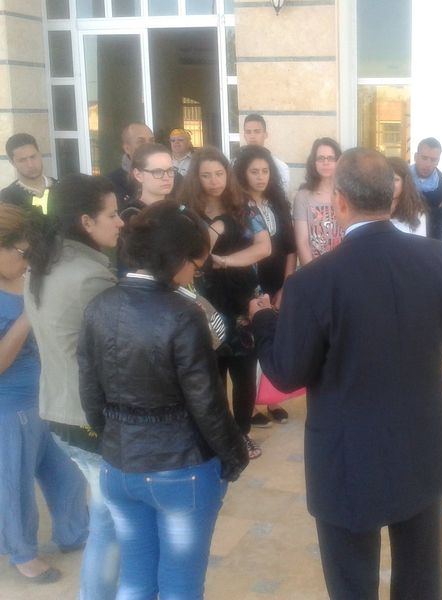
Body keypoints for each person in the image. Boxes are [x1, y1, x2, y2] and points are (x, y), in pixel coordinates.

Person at [251, 147, 442, 600]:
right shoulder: (438, 255)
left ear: (340, 201)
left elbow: (287, 372)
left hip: (348, 458)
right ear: (391, 197)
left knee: (352, 584)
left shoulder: (312, 282)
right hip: (421, 446)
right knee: (420, 580)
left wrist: (263, 321)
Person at [78, 200, 248, 600]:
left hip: (118, 466)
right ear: (176, 258)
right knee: (180, 586)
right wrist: (234, 454)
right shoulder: (183, 313)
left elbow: (90, 392)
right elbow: (206, 401)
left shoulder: (98, 306)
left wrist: (115, 437)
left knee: (135, 580)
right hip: (179, 469)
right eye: (195, 264)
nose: (195, 273)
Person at [25, 174, 124, 600]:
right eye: (112, 214)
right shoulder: (88, 277)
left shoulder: (44, 263)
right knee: (109, 521)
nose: (120, 222)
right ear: (86, 221)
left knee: (105, 513)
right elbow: (120, 351)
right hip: (86, 416)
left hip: (57, 409)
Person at [0, 204, 88, 584]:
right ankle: (22, 553)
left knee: (68, 472)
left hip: (50, 395)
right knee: (14, 484)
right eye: (22, 252)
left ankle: (74, 531)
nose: (27, 260)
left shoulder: (30, 276)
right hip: (10, 405)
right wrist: (27, 317)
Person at [179, 147, 268, 459]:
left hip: (243, 298)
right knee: (212, 373)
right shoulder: (188, 211)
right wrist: (216, 228)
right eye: (206, 175)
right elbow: (193, 255)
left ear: (228, 175)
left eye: (219, 174)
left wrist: (226, 261)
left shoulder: (244, 207)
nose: (214, 181)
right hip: (205, 300)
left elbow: (264, 248)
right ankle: (219, 436)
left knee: (245, 371)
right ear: (196, 178)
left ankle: (242, 433)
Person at [233, 145, 297, 427]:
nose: (260, 177)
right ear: (243, 173)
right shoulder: (236, 207)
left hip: (276, 283)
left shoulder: (278, 204)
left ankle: (272, 400)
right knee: (250, 345)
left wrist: (286, 285)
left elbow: (290, 248)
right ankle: (250, 406)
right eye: (254, 171)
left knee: (274, 339)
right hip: (248, 284)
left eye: (265, 171)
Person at [293, 137, 343, 266]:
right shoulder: (303, 196)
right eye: (320, 158)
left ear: (339, 161)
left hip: (344, 267)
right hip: (315, 268)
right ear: (313, 162)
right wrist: (312, 273)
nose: (325, 162)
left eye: (331, 158)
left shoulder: (347, 194)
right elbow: (302, 242)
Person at [411, 138, 442, 240]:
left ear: (438, 161)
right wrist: (435, 210)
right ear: (416, 157)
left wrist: (413, 209)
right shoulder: (403, 178)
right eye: (424, 158)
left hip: (434, 241)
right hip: (405, 239)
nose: (428, 164)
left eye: (433, 160)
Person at [0, 133, 56, 214]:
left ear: (40, 155)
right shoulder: (8, 197)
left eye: (33, 157)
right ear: (12, 162)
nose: (30, 165)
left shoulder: (60, 186)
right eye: (22, 160)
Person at [105, 122, 156, 204]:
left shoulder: (169, 177)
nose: (148, 146)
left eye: (152, 141)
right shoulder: (111, 183)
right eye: (141, 142)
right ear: (127, 148)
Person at [241, 114, 290, 191]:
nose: (252, 136)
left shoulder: (280, 167)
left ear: (265, 135)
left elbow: (282, 195)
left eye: (257, 131)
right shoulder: (234, 164)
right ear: (244, 135)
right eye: (248, 132)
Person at [388, 156, 427, 236]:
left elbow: (420, 241)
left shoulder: (415, 212)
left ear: (405, 182)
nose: (390, 184)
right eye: (386, 178)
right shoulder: (372, 209)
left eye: (395, 179)